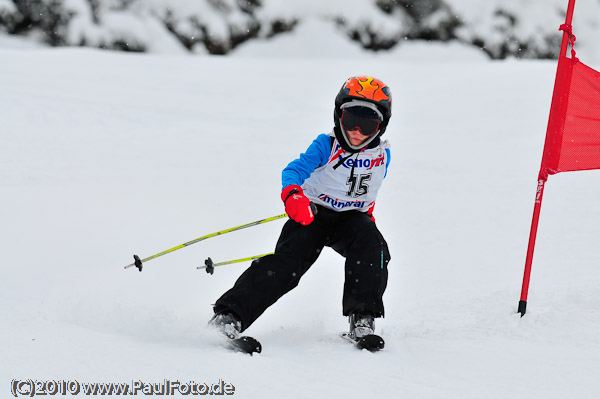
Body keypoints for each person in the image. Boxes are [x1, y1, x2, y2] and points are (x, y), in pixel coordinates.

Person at [210, 76, 392, 342]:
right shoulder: (327, 145)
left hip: (352, 220)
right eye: (350, 120)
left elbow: (367, 192)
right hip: (312, 214)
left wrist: (368, 223)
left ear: (381, 126)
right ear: (337, 116)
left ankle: (363, 319)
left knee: (374, 250)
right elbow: (294, 170)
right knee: (287, 266)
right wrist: (294, 196)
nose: (356, 131)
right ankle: (229, 316)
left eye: (367, 125)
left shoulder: (382, 155)